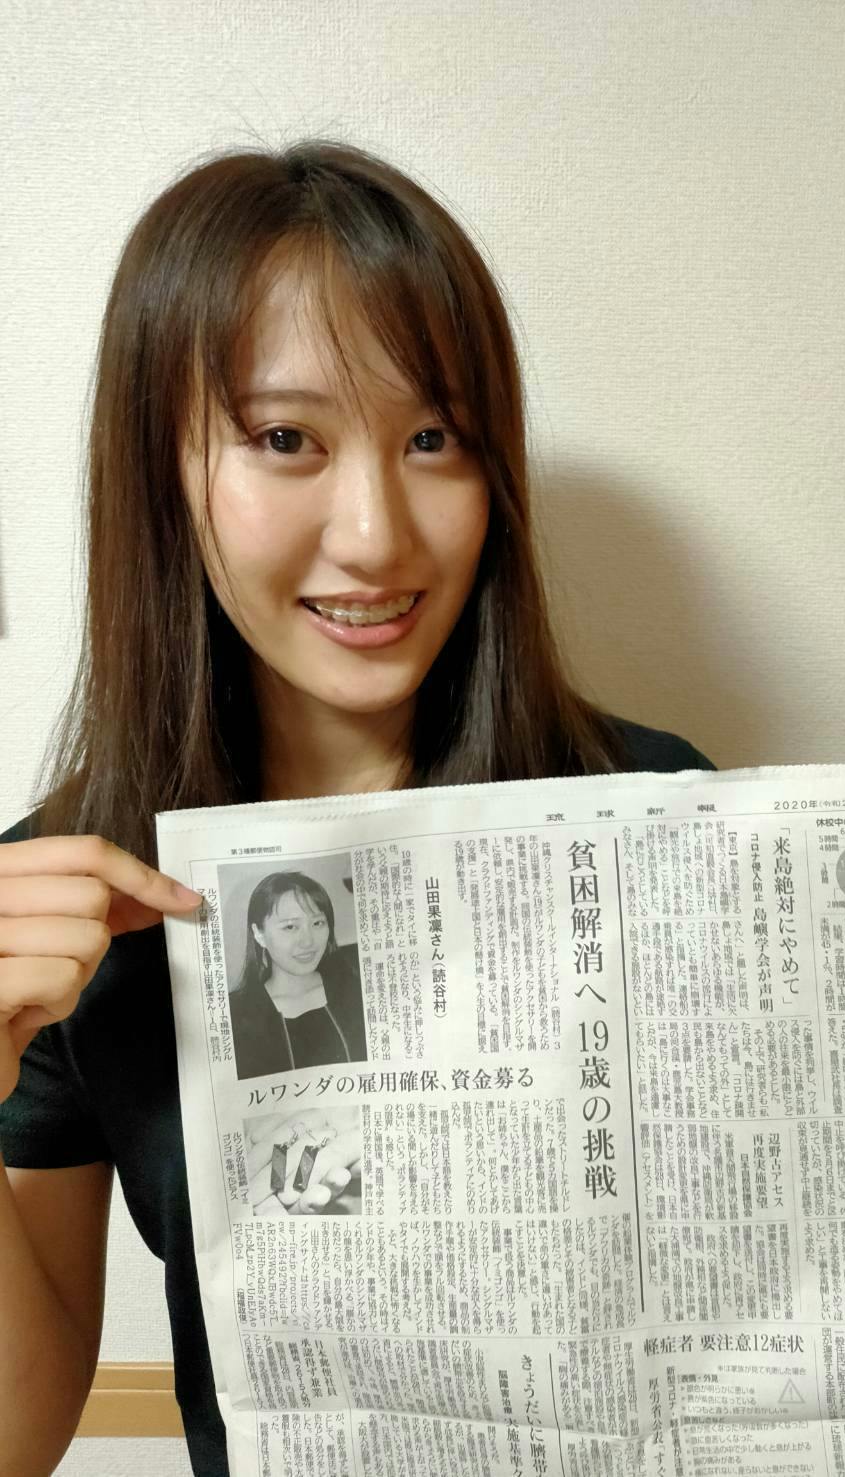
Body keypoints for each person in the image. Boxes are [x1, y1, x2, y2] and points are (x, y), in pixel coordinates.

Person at [0, 138, 721, 1476]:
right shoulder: (65, 895)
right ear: (161, 470)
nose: (378, 534)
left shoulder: (654, 812)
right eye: (286, 440)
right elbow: (16, 1435)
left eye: (432, 438)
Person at [228, 870, 367, 1079]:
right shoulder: (236, 1016)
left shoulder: (356, 989)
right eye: (290, 927)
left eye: (317, 923)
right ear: (259, 934)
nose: (308, 941)